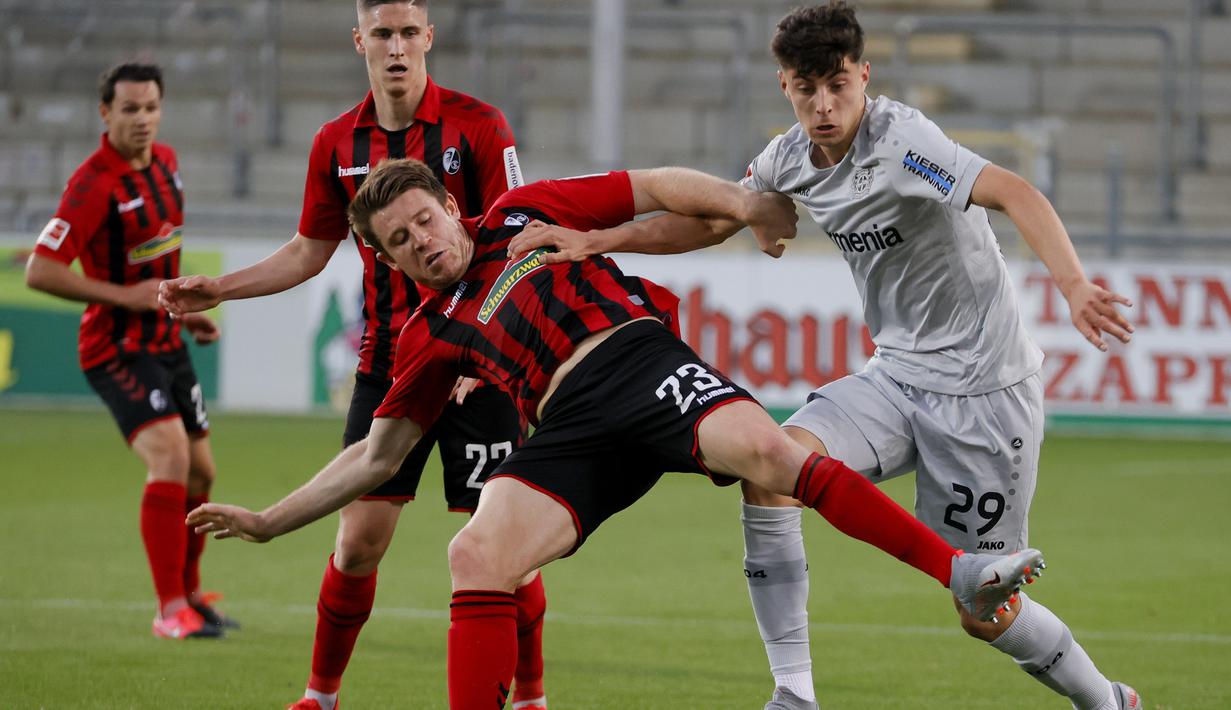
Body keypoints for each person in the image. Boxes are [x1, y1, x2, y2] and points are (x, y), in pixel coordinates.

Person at [186, 157, 1050, 709]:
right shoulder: (428, 335)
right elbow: (378, 456)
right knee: (475, 553)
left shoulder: (520, 214)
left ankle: (959, 572)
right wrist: (268, 521)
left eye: (425, 221)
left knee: (771, 457)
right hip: (570, 429)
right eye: (399, 242)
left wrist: (745, 203)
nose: (422, 242)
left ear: (451, 207)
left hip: (636, 360)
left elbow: (654, 185)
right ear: (383, 258)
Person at [503, 3, 1141, 709]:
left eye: (838, 85)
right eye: (807, 89)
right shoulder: (787, 159)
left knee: (981, 613)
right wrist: (597, 241)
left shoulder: (903, 142)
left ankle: (1108, 701)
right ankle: (794, 693)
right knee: (770, 468)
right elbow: (711, 221)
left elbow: (1013, 191)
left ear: (864, 76)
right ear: (785, 86)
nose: (824, 105)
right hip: (895, 378)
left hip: (985, 393)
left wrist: (1073, 286)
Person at [158, 2, 548, 709]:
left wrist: (484, 349)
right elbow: (309, 250)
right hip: (391, 362)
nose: (396, 47)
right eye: (382, 34)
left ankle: (529, 698)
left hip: (481, 364)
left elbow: (515, 238)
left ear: (428, 37)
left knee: (504, 545)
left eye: (408, 33)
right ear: (359, 41)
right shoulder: (335, 142)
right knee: (358, 541)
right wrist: (220, 288)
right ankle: (320, 697)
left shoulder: (480, 126)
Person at [25, 62, 232, 640]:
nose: (142, 119)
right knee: (170, 456)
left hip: (166, 340)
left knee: (203, 471)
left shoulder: (167, 163)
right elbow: (40, 270)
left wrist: (182, 314)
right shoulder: (92, 185)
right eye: (130, 109)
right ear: (105, 113)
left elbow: (156, 266)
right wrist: (125, 296)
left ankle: (192, 595)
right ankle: (169, 610)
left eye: (151, 108)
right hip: (114, 347)